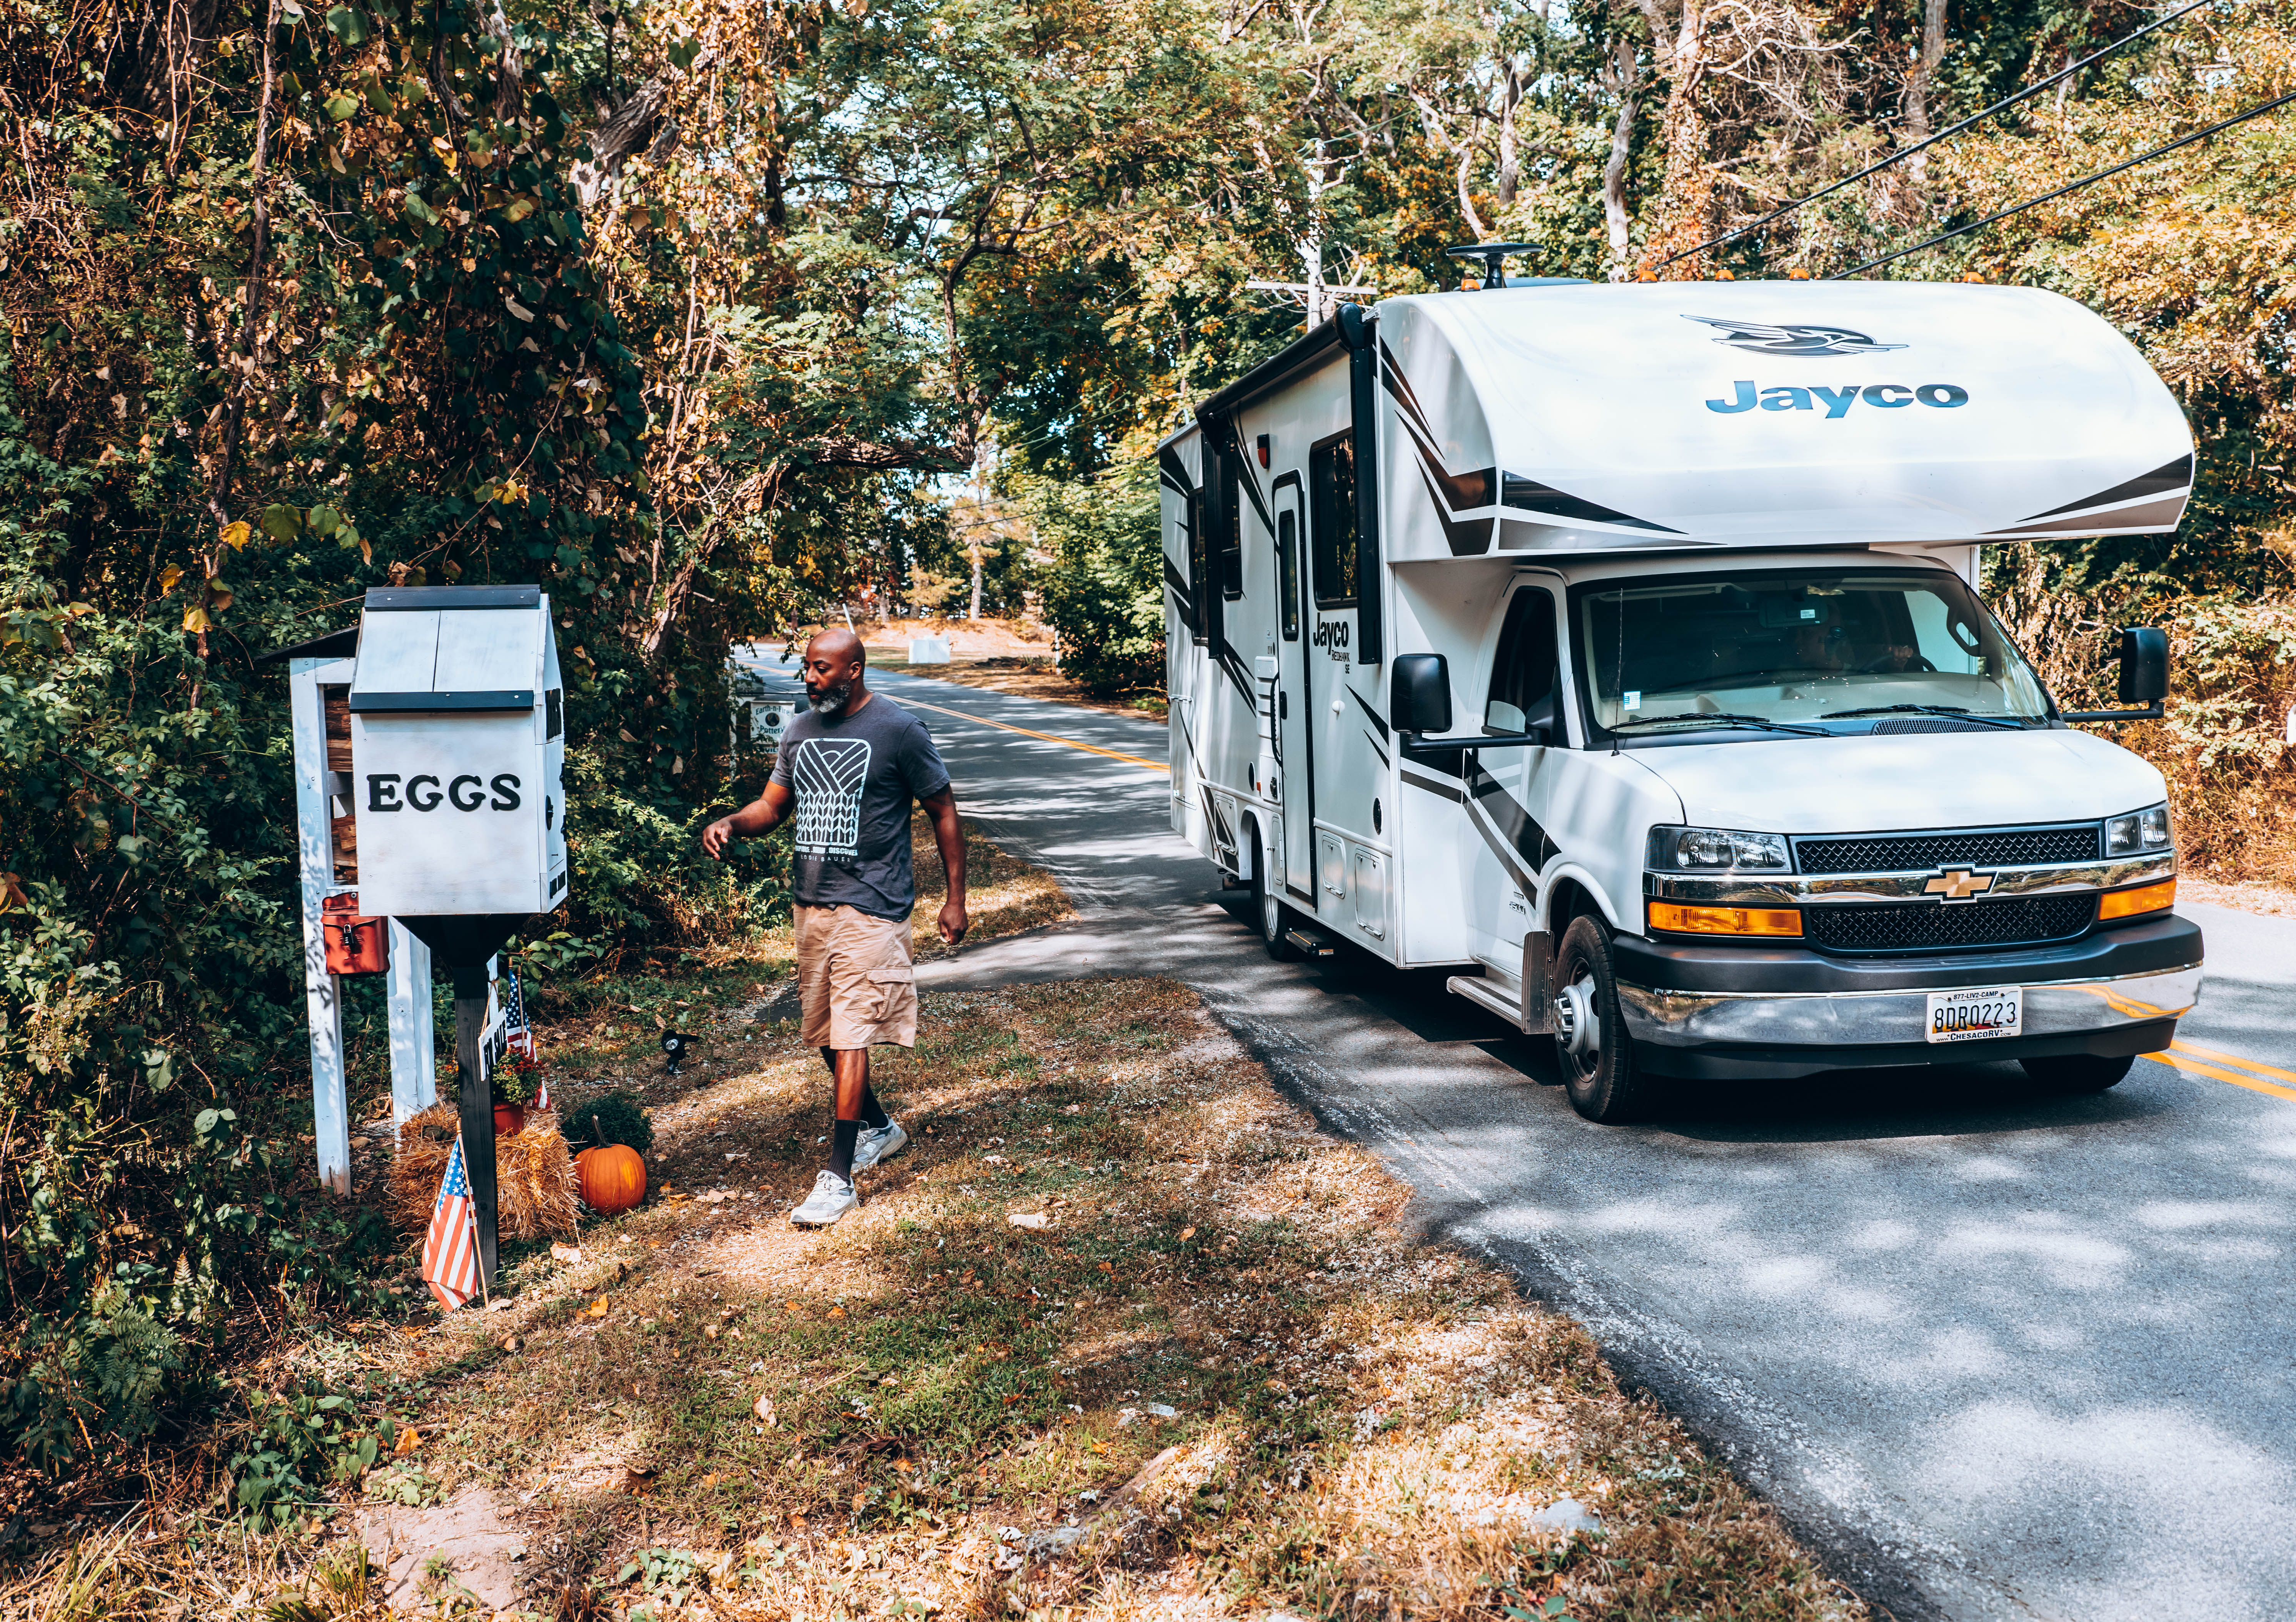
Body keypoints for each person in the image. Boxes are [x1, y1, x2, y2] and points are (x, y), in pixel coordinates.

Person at [702, 628, 968, 1226]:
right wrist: (732, 823)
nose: (810, 678)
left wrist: (956, 899)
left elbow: (943, 810)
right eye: (807, 668)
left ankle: (838, 1177)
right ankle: (879, 1126)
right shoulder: (799, 731)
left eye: (821, 669)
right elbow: (772, 807)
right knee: (825, 1030)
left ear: (854, 671)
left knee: (851, 1033)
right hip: (813, 903)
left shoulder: (899, 731)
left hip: (874, 905)